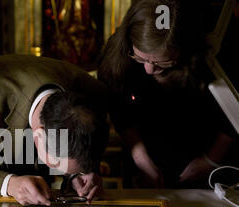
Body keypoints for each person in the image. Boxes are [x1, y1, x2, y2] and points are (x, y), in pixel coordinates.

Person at [98, 0, 237, 188]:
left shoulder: (217, 50)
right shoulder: (119, 54)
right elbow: (121, 113)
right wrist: (142, 161)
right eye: (140, 58)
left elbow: (233, 114)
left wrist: (210, 161)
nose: (148, 69)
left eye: (163, 63)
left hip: (210, 146)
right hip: (147, 149)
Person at [0, 54, 110, 206]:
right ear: (39, 136)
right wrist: (11, 184)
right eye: (59, 165)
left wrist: (79, 175)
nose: (61, 171)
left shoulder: (93, 94)